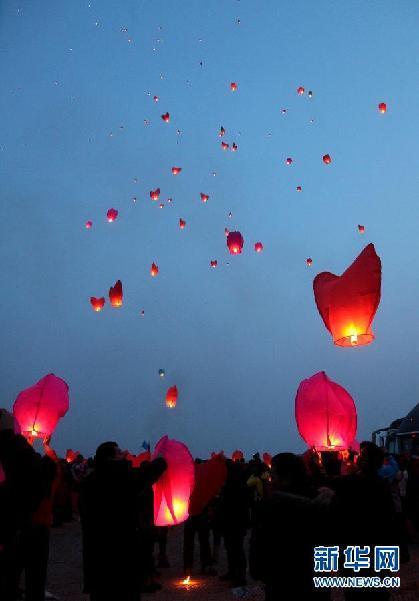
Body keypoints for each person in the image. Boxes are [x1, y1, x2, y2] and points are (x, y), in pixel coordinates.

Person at [79, 441, 166, 601]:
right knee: (126, 590)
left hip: (96, 550)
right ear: (111, 459)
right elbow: (146, 475)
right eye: (119, 452)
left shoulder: (89, 482)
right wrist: (160, 459)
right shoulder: (120, 477)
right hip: (122, 548)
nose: (125, 453)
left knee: (101, 592)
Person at [250, 452, 332, 601]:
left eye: (273, 474)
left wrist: (258, 572)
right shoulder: (322, 500)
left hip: (281, 579)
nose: (270, 478)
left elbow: (259, 544)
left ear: (285, 476)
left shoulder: (270, 506)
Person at [217, 460, 249, 588]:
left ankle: (240, 577)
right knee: (231, 548)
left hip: (235, 521)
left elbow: (238, 505)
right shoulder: (234, 484)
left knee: (236, 549)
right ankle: (232, 573)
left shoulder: (236, 485)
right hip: (231, 521)